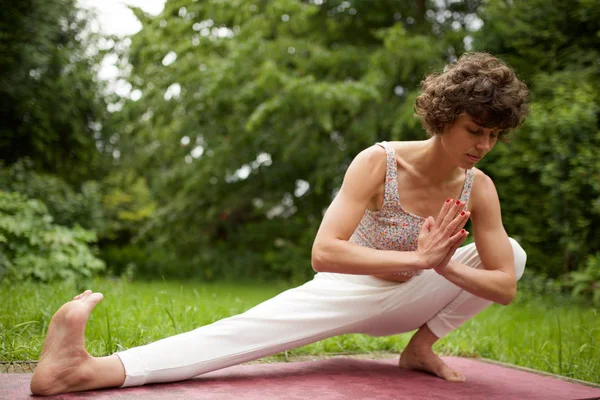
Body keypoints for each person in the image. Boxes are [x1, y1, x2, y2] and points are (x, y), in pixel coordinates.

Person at [30, 52, 529, 395]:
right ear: (443, 117)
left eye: (494, 136)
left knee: (513, 251)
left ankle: (419, 350)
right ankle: (80, 371)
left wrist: (438, 265)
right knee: (241, 333)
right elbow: (325, 252)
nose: (483, 145)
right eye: (475, 130)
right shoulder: (380, 162)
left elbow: (504, 285)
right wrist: (416, 257)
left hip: (419, 290)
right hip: (350, 289)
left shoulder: (479, 188)